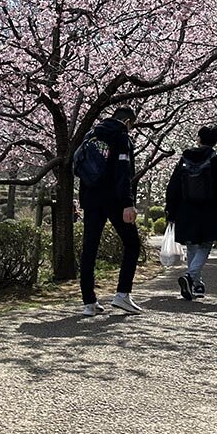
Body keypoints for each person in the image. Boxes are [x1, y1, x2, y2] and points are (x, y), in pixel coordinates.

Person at [78, 106, 143, 316]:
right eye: (131, 125)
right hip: (114, 200)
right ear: (127, 122)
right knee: (133, 244)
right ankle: (122, 294)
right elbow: (123, 172)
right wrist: (127, 203)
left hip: (90, 199)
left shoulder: (91, 134)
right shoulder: (121, 137)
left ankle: (89, 302)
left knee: (90, 248)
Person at [165, 126, 217, 300]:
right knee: (205, 244)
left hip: (187, 208)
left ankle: (196, 285)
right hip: (211, 208)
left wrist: (171, 208)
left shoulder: (185, 158)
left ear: (199, 139)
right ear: (216, 141)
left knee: (192, 245)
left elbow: (173, 185)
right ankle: (191, 277)